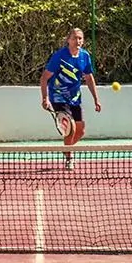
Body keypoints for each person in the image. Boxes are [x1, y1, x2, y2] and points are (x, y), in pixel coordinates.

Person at [40, 27, 102, 167]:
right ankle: (69, 157)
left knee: (80, 131)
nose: (77, 41)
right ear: (68, 40)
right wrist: (45, 98)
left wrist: (96, 99)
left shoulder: (85, 56)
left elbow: (89, 77)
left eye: (80, 38)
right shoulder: (59, 56)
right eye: (74, 38)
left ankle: (66, 149)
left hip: (75, 98)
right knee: (71, 127)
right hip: (58, 97)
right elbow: (44, 78)